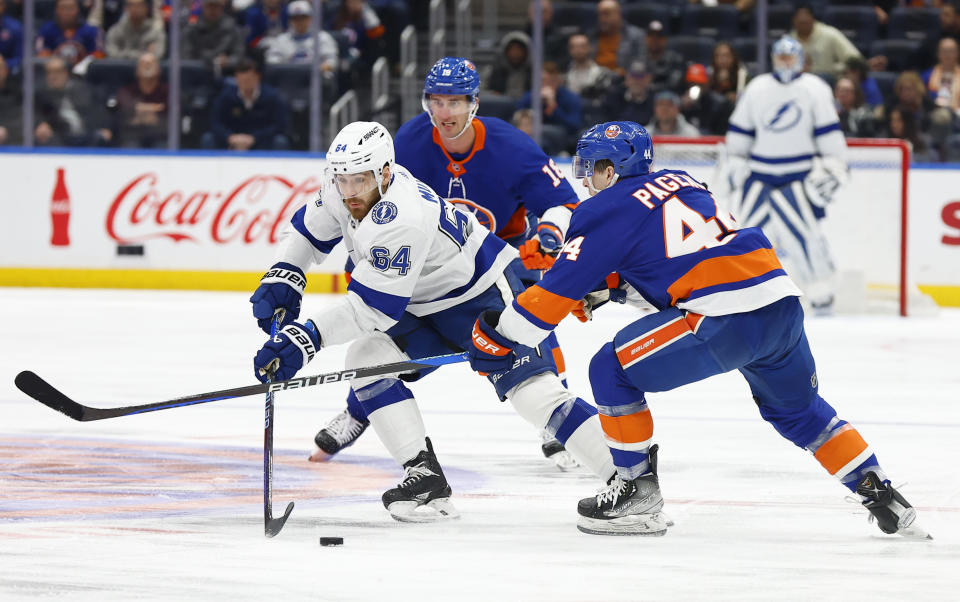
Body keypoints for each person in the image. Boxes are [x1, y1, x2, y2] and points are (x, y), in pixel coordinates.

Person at [465, 120, 929, 540]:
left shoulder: (607, 206)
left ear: (613, 168)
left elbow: (546, 305)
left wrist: (501, 338)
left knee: (610, 368)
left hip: (723, 317)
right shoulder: (686, 184)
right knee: (799, 412)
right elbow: (680, 267)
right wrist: (614, 292)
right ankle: (880, 491)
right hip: (779, 303)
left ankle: (636, 494)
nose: (586, 180)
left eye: (592, 167)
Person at [250, 121, 616, 522]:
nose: (349, 190)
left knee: (534, 394)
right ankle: (425, 480)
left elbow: (373, 309)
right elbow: (307, 231)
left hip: (484, 295)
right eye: (342, 179)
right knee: (367, 358)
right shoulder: (342, 187)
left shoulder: (402, 216)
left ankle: (629, 480)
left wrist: (307, 339)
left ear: (385, 172)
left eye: (360, 180)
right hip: (423, 304)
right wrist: (285, 273)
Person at [308, 57, 585, 471]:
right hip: (430, 259)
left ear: (474, 103)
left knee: (532, 316)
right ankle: (358, 410)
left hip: (498, 254)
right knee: (386, 333)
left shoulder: (512, 146)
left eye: (455, 101)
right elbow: (378, 202)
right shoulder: (411, 141)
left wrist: (548, 236)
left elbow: (563, 203)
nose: (444, 112)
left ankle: (554, 416)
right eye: (436, 101)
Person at [723, 36, 847, 313]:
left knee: (805, 237)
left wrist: (834, 164)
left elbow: (828, 134)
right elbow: (741, 132)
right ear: (773, 58)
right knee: (744, 237)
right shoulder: (758, 87)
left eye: (790, 57)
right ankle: (740, 292)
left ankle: (821, 292)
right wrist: (735, 161)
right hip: (758, 175)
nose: (786, 63)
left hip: (798, 177)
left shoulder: (815, 88)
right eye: (781, 57)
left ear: (801, 58)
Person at [202, 58, 290, 150]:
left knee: (280, 141)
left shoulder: (272, 97)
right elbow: (215, 122)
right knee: (208, 139)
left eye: (248, 80)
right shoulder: (226, 96)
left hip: (261, 141)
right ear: (236, 78)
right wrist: (229, 137)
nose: (245, 84)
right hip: (233, 140)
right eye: (241, 81)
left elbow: (280, 125)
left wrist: (255, 138)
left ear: (258, 77)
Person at [789, 4, 862, 78]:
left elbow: (855, 59)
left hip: (829, 80)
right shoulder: (788, 42)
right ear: (793, 21)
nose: (803, 19)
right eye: (801, 21)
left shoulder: (830, 34)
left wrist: (834, 68)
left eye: (805, 20)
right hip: (798, 82)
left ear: (813, 18)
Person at [112, 51, 168, 148]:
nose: (147, 65)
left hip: (161, 136)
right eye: (143, 63)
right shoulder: (126, 91)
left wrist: (139, 109)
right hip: (132, 136)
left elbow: (170, 116)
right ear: (137, 70)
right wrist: (155, 108)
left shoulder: (169, 91)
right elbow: (124, 113)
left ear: (159, 70)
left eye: (151, 63)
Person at [181, 0, 245, 76]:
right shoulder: (192, 30)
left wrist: (228, 61)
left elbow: (239, 56)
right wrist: (204, 62)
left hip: (226, 75)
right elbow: (186, 57)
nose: (212, 10)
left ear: (222, 8)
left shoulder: (232, 29)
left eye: (216, 6)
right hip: (197, 75)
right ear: (203, 8)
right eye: (209, 6)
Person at [36, 0, 104, 69]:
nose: (67, 12)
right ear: (56, 10)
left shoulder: (92, 31)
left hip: (84, 75)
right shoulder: (47, 30)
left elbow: (98, 57)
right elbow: (42, 57)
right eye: (63, 8)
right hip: (55, 73)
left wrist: (81, 67)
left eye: (70, 8)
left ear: (78, 10)